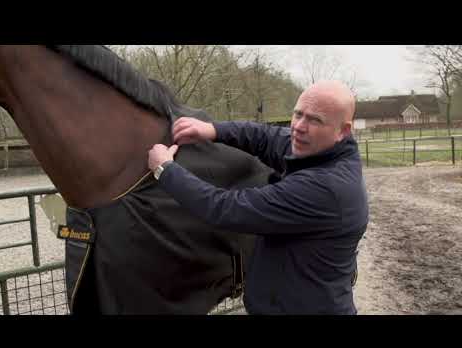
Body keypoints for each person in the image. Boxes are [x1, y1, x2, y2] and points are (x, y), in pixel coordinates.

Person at [147, 80, 369, 315]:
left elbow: (225, 208)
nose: (299, 127)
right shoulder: (319, 149)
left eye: (315, 120)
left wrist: (165, 169)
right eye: (298, 114)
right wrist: (213, 130)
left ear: (343, 131)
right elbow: (265, 136)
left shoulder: (325, 189)